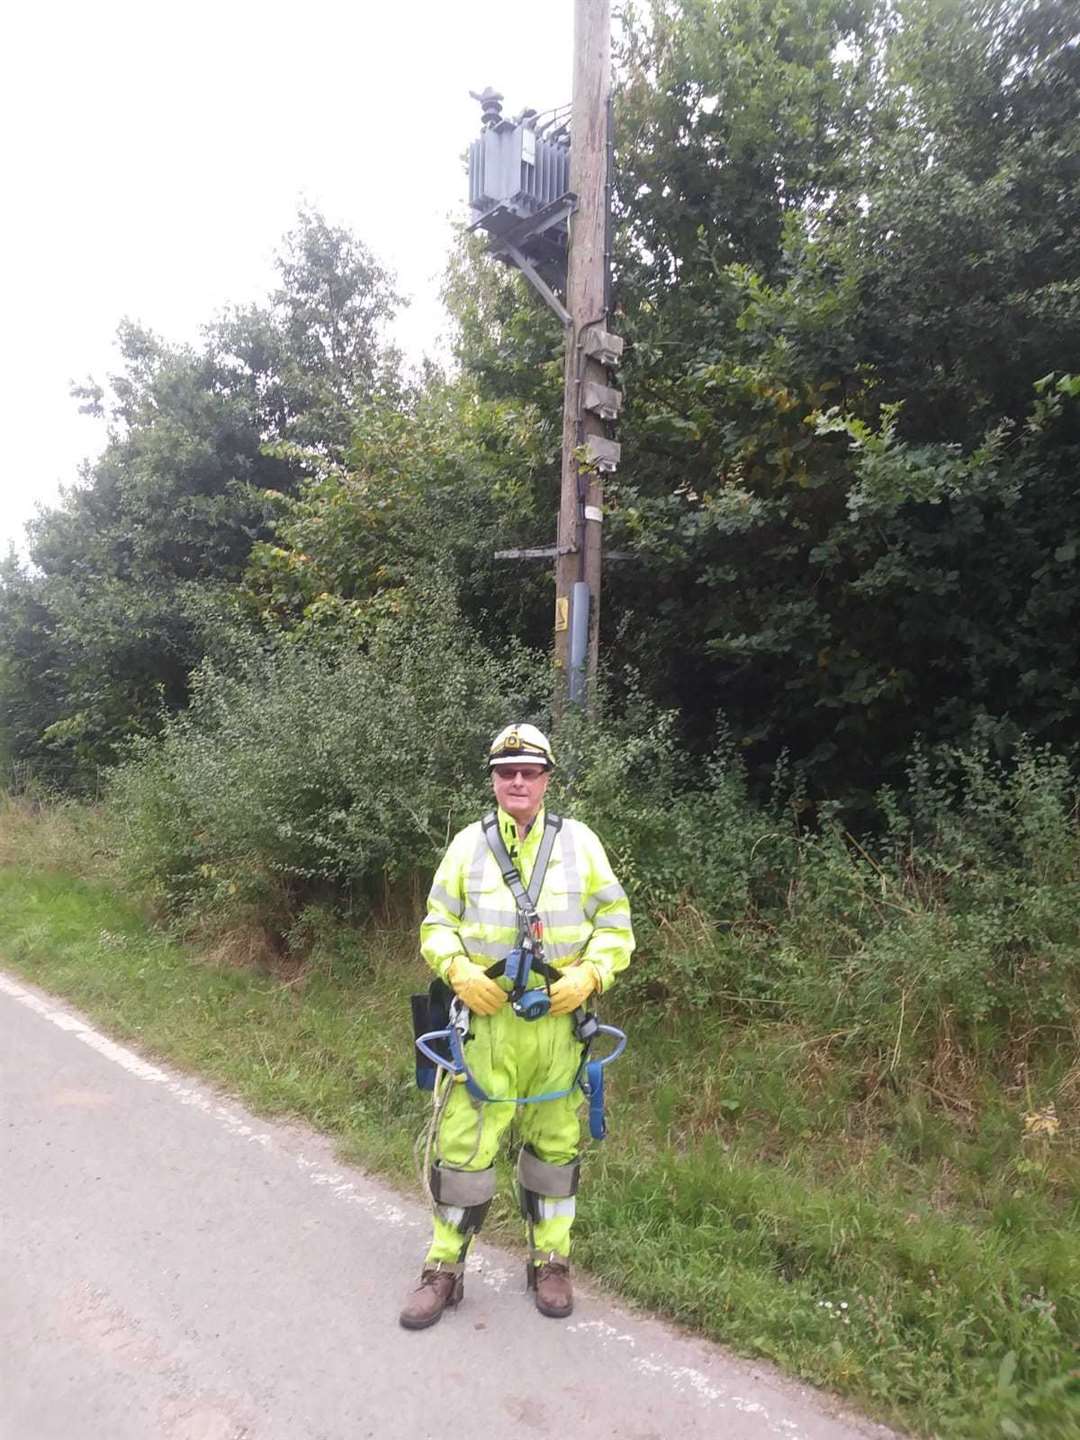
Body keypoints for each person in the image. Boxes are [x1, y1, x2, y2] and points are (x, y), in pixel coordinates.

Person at [399, 723, 634, 1330]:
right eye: (507, 773)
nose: (519, 781)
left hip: (558, 1031)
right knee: (463, 1152)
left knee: (555, 1151)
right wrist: (454, 970)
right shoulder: (466, 846)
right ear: (495, 781)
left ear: (547, 778)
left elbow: (615, 924)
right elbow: (436, 924)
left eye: (530, 771)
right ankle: (444, 1269)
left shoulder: (581, 844)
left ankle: (550, 1261)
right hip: (483, 1028)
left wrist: (590, 976)